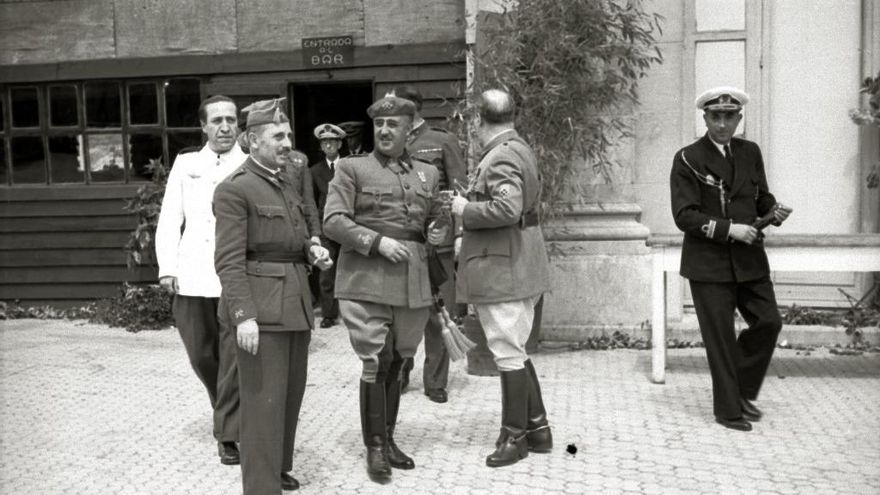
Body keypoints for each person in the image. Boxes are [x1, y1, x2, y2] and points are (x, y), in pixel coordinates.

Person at [323, 95, 448, 483]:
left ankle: (389, 439)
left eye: (394, 124)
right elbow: (333, 221)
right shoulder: (351, 168)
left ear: (410, 130)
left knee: (399, 360)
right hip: (367, 278)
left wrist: (437, 231)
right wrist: (376, 242)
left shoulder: (428, 173)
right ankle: (375, 447)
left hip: (412, 280)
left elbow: (433, 219)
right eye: (379, 124)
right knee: (376, 359)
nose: (385, 130)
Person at [214, 98, 333, 493]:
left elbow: (292, 238)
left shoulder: (283, 181)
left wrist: (312, 251)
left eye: (288, 135)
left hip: (295, 304)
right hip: (262, 312)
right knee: (262, 404)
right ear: (253, 140)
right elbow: (229, 260)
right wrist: (243, 315)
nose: (287, 143)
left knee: (288, 397)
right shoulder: (235, 189)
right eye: (278, 136)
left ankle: (277, 468)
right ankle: (261, 486)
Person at [670, 86, 793, 432]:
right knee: (721, 340)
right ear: (705, 118)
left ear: (739, 118)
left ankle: (739, 392)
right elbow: (684, 215)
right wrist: (730, 230)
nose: (722, 124)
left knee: (769, 322)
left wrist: (773, 210)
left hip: (749, 260)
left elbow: (760, 197)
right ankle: (728, 410)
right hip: (709, 264)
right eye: (715, 116)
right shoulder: (688, 158)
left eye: (729, 116)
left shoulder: (749, 152)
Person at [450, 89, 553, 468]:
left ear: (479, 121)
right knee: (515, 347)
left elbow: (508, 208)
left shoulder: (500, 156)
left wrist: (465, 209)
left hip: (503, 267)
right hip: (518, 261)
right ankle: (538, 429)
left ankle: (514, 438)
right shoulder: (519, 148)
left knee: (507, 350)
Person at [155, 94, 244, 466]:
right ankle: (225, 408)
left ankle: (229, 433)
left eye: (231, 119)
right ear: (204, 126)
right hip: (192, 275)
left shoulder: (249, 164)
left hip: (235, 277)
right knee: (201, 354)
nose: (225, 127)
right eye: (217, 120)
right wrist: (168, 267)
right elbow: (170, 217)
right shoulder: (187, 163)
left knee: (234, 357)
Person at [392, 85, 467, 403]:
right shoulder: (391, 141)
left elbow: (460, 189)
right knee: (402, 313)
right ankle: (399, 374)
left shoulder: (441, 140)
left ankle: (435, 381)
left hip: (439, 241)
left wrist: (460, 233)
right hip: (404, 241)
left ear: (411, 109)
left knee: (439, 313)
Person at [310, 123, 347, 328]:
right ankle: (329, 314)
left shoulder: (349, 166)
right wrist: (315, 230)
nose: (328, 145)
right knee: (326, 273)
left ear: (340, 144)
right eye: (324, 142)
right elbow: (312, 201)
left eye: (332, 141)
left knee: (351, 270)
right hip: (326, 227)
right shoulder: (315, 171)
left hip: (348, 224)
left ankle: (352, 312)